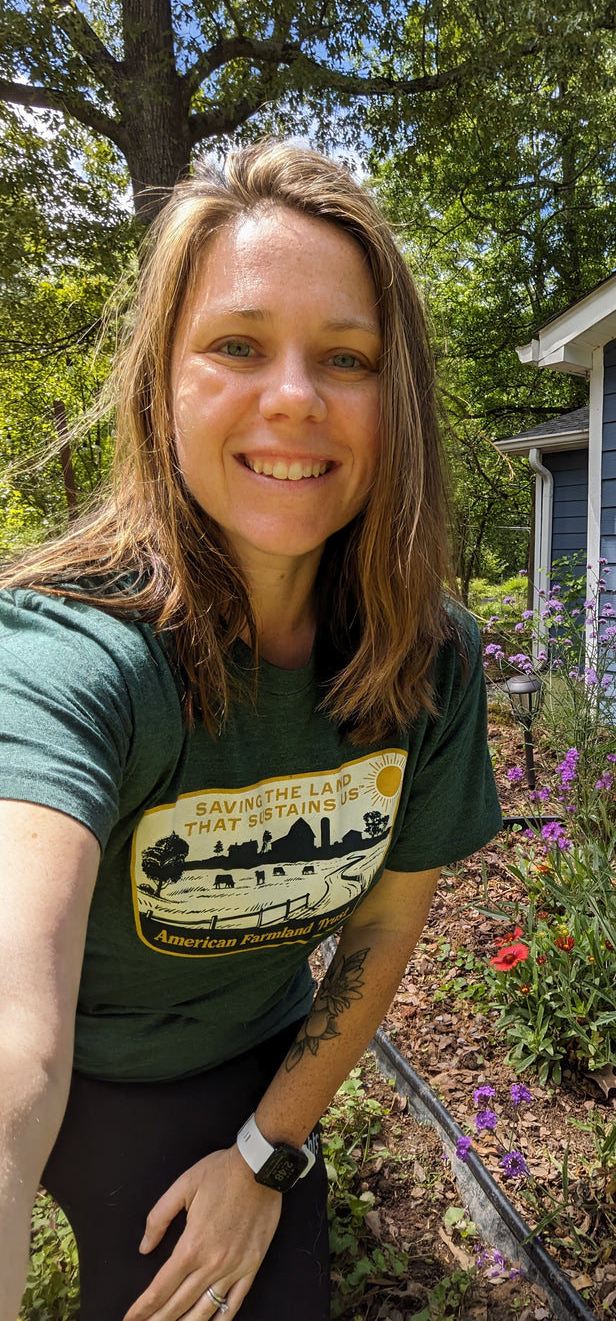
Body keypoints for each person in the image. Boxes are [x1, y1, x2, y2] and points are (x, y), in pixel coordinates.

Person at [0, 142, 501, 1321]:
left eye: (346, 357)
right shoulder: (72, 655)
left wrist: (265, 1154)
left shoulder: (428, 659)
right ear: (160, 382)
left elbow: (384, 922)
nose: (294, 396)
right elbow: (14, 1035)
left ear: (395, 407)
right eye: (236, 345)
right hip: (74, 1065)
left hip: (242, 1068)